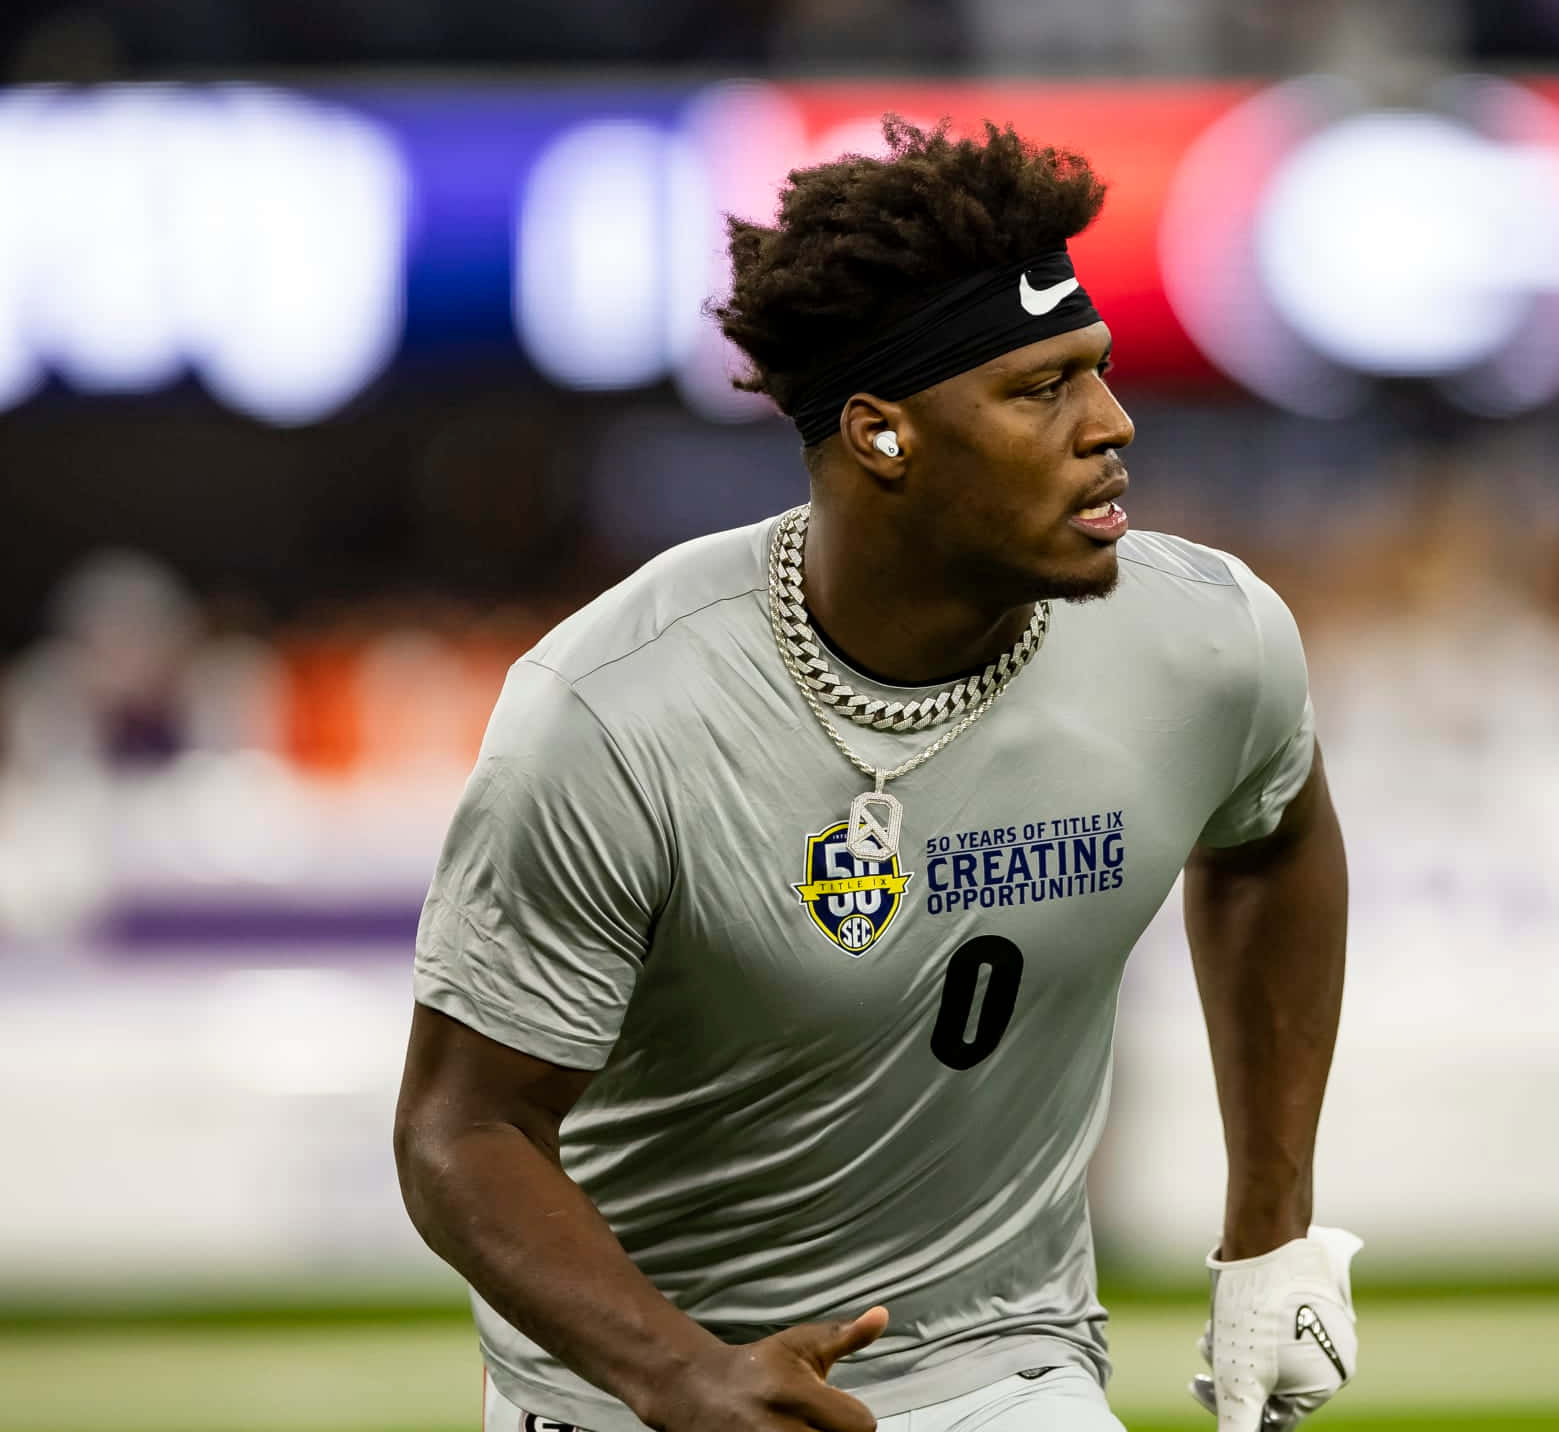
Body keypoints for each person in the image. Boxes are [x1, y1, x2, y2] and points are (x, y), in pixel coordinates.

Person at [394, 115, 1359, 1432]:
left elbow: (1274, 838)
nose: (1112, 424)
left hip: (1005, 1359)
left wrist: (1272, 1235)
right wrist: (681, 1375)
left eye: (1098, 371)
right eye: (1041, 390)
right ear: (882, 436)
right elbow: (463, 1132)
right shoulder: (614, 714)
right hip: (641, 1392)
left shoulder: (1203, 638)